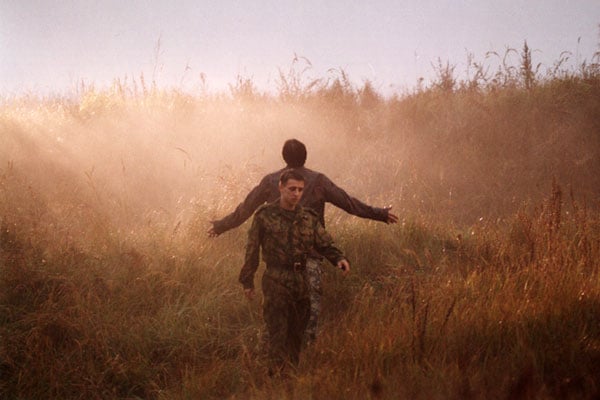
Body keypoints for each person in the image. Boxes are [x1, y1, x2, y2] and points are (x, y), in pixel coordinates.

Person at [209, 138, 398, 342]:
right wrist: (379, 214)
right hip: (311, 260)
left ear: (284, 156)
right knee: (308, 317)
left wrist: (220, 226)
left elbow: (245, 210)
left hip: (278, 265)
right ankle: (301, 360)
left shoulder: (273, 182)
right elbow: (349, 204)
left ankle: (280, 363)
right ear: (305, 156)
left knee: (276, 319)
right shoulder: (318, 181)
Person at [239, 169, 350, 375]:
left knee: (297, 336)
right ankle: (275, 380)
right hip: (276, 280)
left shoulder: (307, 217)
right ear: (280, 187)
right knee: (277, 334)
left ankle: (290, 380)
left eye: (300, 190)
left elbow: (323, 242)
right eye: (292, 189)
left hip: (301, 281)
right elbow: (252, 250)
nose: (296, 194)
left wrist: (339, 258)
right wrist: (248, 281)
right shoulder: (265, 216)